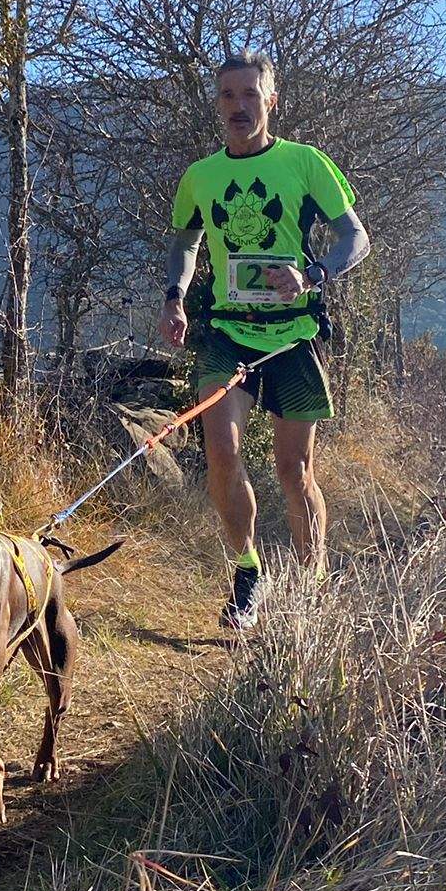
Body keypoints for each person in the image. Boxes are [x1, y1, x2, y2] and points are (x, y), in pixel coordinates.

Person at [158, 51, 370, 629]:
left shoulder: (305, 164)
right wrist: (175, 296)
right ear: (217, 105)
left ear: (270, 102)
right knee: (221, 454)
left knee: (293, 471)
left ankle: (314, 580)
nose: (238, 106)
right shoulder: (201, 176)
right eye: (227, 96)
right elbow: (185, 242)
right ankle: (248, 574)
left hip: (293, 338)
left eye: (250, 95)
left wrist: (314, 275)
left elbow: (357, 237)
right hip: (227, 335)